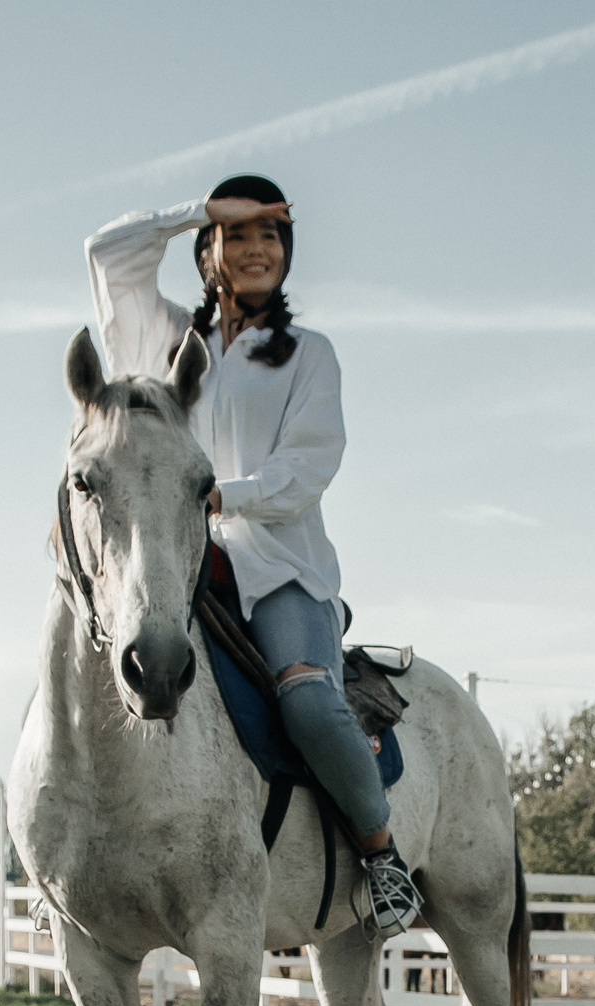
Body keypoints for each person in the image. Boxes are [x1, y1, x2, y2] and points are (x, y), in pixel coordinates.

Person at [85, 174, 423, 937]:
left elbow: (307, 469)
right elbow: (106, 255)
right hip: (178, 565)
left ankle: (381, 855)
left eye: (270, 235)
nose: (256, 248)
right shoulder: (167, 340)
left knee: (305, 698)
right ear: (208, 253)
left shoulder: (308, 355)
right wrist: (196, 211)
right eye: (238, 234)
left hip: (278, 569)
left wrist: (218, 496)